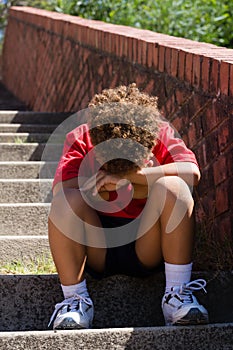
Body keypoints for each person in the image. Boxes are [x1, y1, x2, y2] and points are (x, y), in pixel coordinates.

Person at [48, 83, 209, 329]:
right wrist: (100, 189)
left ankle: (177, 294)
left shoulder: (159, 133)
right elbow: (62, 191)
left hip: (149, 242)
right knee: (66, 201)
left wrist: (133, 178)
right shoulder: (82, 136)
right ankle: (74, 301)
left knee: (174, 188)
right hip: (98, 243)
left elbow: (191, 173)